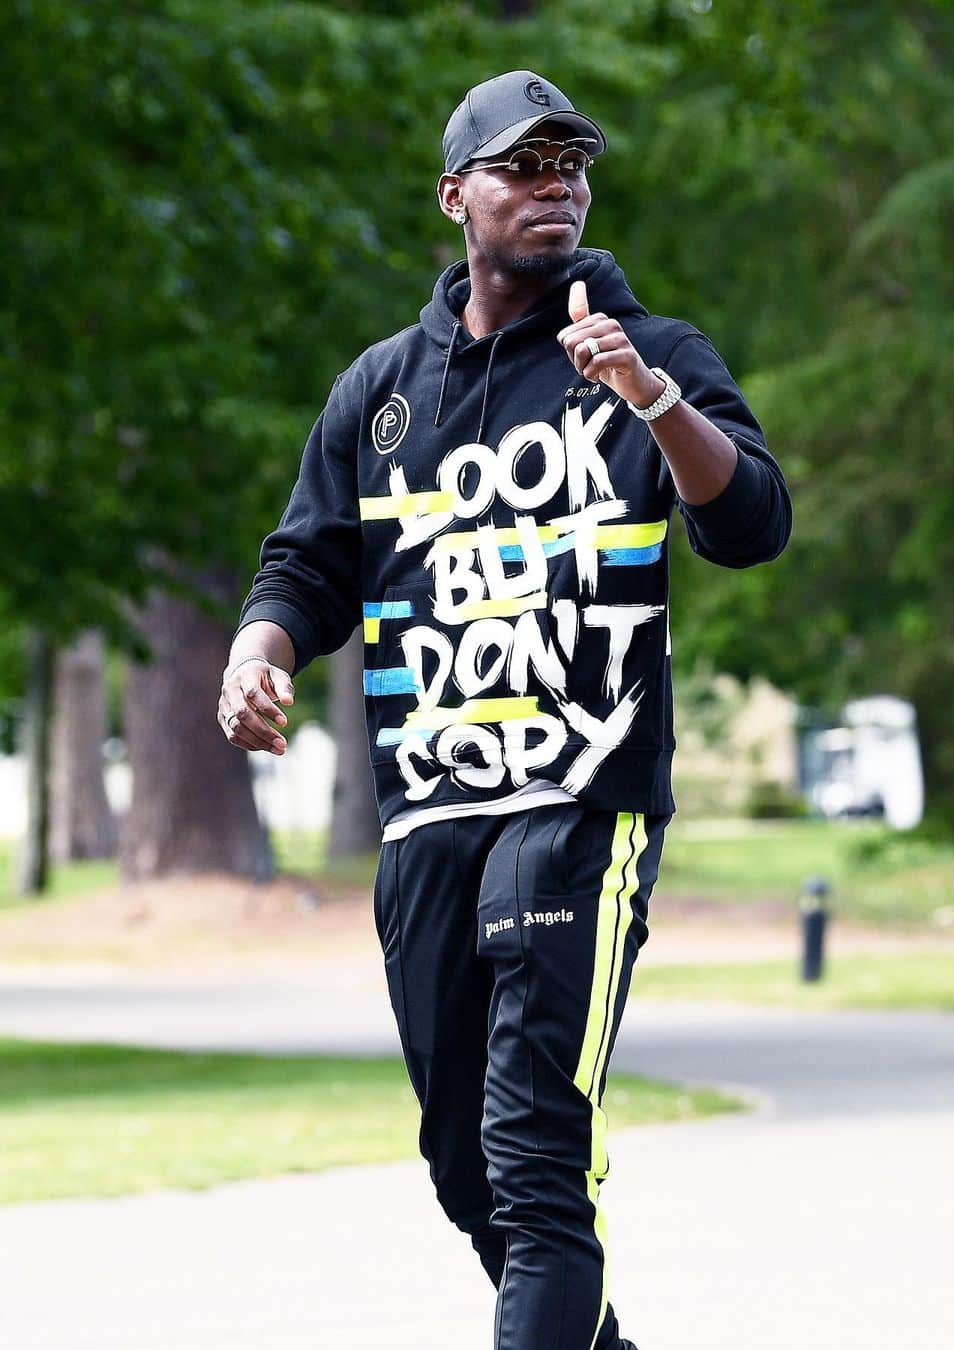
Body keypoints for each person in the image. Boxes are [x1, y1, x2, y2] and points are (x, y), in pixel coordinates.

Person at [220, 69, 792, 1350]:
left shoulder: (655, 356)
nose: (558, 185)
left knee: (537, 1166)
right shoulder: (380, 391)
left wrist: (650, 398)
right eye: (525, 166)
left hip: (580, 801)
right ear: (455, 197)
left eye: (572, 164)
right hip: (427, 815)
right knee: (462, 1168)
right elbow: (308, 566)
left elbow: (752, 522)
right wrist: (257, 653)